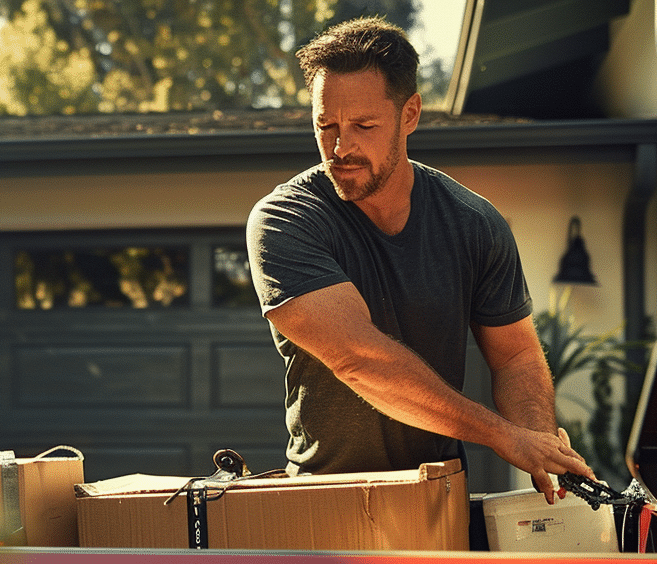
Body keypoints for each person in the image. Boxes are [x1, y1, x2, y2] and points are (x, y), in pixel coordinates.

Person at [247, 16, 593, 503]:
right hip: (325, 497)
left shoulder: (474, 223)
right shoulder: (285, 220)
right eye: (326, 126)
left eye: (364, 126)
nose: (341, 148)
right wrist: (503, 436)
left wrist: (538, 441)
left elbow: (515, 355)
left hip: (440, 493)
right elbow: (358, 360)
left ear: (410, 114)